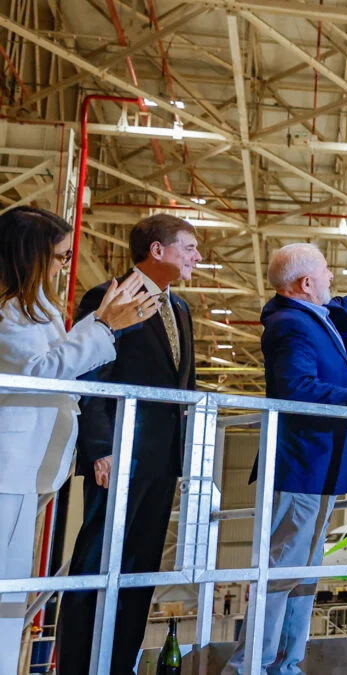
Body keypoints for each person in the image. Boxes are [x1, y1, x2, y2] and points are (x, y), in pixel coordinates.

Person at [223, 243, 347, 674]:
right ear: (306, 283)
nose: (333, 278)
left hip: (324, 466)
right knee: (281, 573)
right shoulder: (290, 325)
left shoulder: (314, 311)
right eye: (327, 272)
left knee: (302, 575)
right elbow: (296, 387)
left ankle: (286, 664)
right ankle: (248, 667)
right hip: (302, 465)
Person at [0, 207, 158, 675]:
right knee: (6, 587)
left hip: (28, 466)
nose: (64, 266)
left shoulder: (33, 307)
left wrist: (100, 327)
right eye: (60, 256)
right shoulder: (10, 309)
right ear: (30, 255)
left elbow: (54, 360)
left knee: (12, 588)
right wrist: (104, 326)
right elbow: (39, 373)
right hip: (10, 467)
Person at [57, 214, 202, 675]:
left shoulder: (179, 310)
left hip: (162, 461)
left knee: (140, 572)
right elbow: (90, 378)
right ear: (156, 251)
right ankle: (79, 666)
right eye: (189, 247)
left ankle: (121, 664)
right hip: (118, 456)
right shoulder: (108, 297)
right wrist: (99, 447)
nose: (197, 257)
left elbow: (184, 390)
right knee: (97, 566)